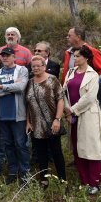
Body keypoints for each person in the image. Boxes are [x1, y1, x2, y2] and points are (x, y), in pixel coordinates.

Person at [63, 45, 101, 195]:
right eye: (74, 56)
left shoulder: (93, 75)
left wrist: (72, 109)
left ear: (86, 58)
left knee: (91, 148)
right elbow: (64, 92)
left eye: (78, 56)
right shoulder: (70, 72)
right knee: (77, 148)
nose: (75, 58)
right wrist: (67, 110)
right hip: (72, 116)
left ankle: (95, 182)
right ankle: (84, 181)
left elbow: (89, 98)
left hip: (87, 115)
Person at [25, 55, 66, 185]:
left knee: (56, 152)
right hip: (36, 125)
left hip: (52, 123)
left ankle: (62, 180)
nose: (36, 68)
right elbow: (28, 103)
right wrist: (28, 122)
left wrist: (57, 119)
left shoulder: (52, 80)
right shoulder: (29, 82)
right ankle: (44, 180)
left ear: (44, 66)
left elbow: (60, 100)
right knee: (40, 154)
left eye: (38, 65)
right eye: (33, 66)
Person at [0, 47, 30, 184]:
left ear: (14, 57)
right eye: (3, 56)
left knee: (21, 145)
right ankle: (13, 171)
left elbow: (21, 88)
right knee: (8, 145)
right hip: (2, 116)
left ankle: (25, 173)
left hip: (18, 116)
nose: (5, 58)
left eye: (8, 55)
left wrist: (2, 87)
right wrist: (12, 88)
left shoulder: (22, 70)